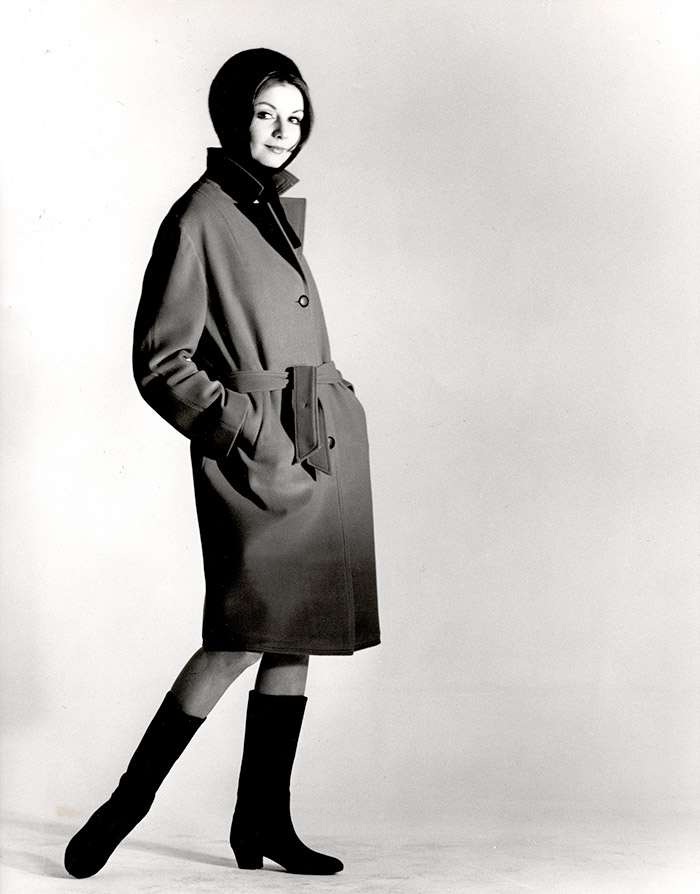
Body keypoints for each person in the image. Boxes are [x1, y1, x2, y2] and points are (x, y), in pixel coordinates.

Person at [64, 47, 380, 879]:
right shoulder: (200, 214)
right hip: (263, 451)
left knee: (295, 633)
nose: (282, 131)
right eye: (266, 114)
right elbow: (162, 360)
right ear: (232, 114)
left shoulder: (266, 207)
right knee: (241, 635)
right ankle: (126, 805)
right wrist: (245, 429)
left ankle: (263, 820)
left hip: (314, 444)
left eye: (295, 117)